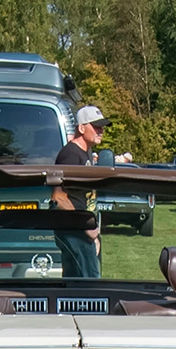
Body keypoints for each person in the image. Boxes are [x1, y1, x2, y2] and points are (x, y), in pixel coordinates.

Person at [52, 105, 109, 278]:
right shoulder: (70, 155)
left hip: (81, 229)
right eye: (96, 126)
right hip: (73, 229)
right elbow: (58, 197)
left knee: (74, 282)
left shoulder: (86, 152)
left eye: (102, 127)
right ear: (82, 128)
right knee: (91, 283)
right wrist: (85, 226)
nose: (101, 131)